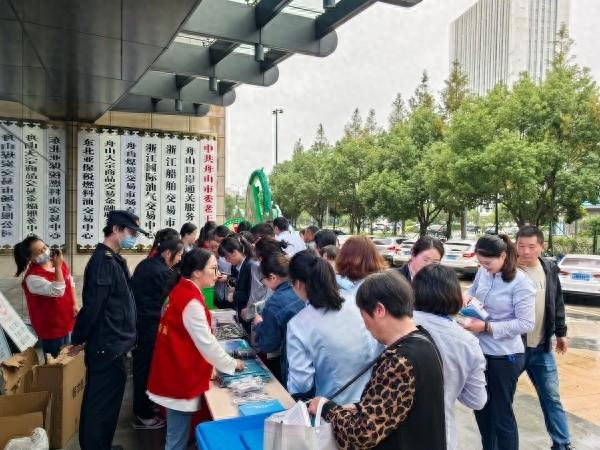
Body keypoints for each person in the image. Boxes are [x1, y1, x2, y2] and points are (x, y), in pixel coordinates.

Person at [308, 270, 446, 450]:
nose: (365, 325)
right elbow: (395, 406)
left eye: (363, 315)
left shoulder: (400, 361)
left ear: (379, 310)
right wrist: (360, 408)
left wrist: (326, 408)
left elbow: (363, 434)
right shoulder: (423, 339)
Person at [146, 249, 244, 450]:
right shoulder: (190, 300)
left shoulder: (183, 290)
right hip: (178, 375)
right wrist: (232, 363)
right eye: (213, 268)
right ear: (197, 272)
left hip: (173, 369)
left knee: (176, 435)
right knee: (176, 440)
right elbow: (206, 343)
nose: (217, 273)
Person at [68, 210, 148, 450]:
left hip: (114, 344)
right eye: (131, 232)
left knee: (109, 403)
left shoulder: (113, 260)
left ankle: (103, 444)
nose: (134, 238)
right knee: (99, 404)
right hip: (106, 345)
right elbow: (94, 306)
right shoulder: (103, 262)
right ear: (115, 229)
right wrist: (79, 338)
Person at [464, 234, 535, 450]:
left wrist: (487, 327)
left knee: (501, 415)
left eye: (488, 263)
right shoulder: (483, 273)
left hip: (505, 356)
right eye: (480, 263)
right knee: (482, 410)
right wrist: (466, 299)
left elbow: (526, 323)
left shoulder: (520, 282)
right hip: (480, 353)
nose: (484, 267)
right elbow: (472, 292)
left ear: (503, 256)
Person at [286, 250, 380, 404]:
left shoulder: (299, 324)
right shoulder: (356, 301)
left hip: (335, 407)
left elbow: (301, 383)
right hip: (374, 398)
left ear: (298, 284)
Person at [412, 264, 487, 450]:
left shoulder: (395, 325)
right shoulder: (467, 342)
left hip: (391, 432)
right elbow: (476, 400)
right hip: (439, 434)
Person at [516, 226, 572, 450]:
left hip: (541, 348)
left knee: (552, 398)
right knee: (501, 399)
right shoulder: (507, 269)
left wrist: (561, 332)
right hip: (513, 349)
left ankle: (562, 444)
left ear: (541, 246)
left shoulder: (548, 268)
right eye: (521, 246)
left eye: (531, 246)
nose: (525, 251)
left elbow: (557, 301)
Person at [130, 237, 184, 430]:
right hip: (147, 327)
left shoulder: (147, 264)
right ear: (168, 253)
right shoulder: (161, 272)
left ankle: (145, 407)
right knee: (144, 370)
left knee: (142, 369)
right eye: (179, 255)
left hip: (140, 324)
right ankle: (142, 415)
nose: (179, 258)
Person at [14, 236, 78, 357]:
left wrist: (75, 304)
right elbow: (58, 291)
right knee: (54, 362)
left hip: (66, 320)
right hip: (51, 327)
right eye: (39, 252)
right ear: (30, 258)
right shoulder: (32, 278)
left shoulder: (56, 262)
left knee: (66, 357)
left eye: (44, 247)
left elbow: (70, 282)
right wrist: (58, 267)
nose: (45, 252)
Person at [253, 253, 304, 383]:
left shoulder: (275, 303)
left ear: (273, 277)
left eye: (263, 279)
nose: (263, 282)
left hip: (291, 361)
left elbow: (268, 344)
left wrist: (259, 325)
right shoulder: (302, 288)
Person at [217, 235, 255, 321]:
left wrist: (233, 295)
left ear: (234, 252)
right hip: (239, 308)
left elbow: (250, 293)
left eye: (227, 257)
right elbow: (234, 279)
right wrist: (230, 283)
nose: (226, 260)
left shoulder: (249, 266)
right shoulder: (235, 265)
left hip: (247, 310)